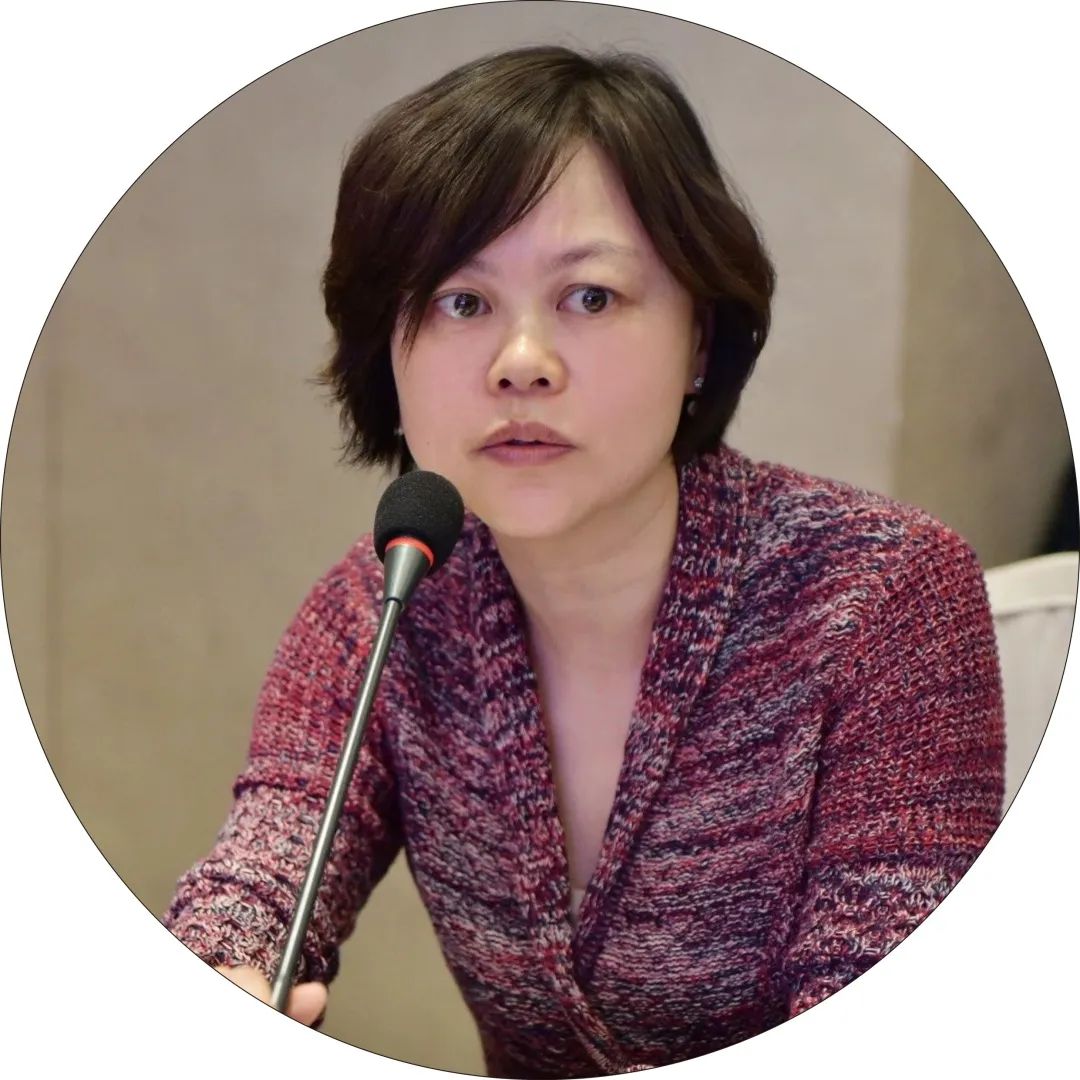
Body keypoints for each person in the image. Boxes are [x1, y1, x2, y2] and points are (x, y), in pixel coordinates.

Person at [163, 45, 1005, 1076]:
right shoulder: (387, 602)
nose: (522, 362)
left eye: (591, 297)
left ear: (700, 339)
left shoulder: (882, 596)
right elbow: (263, 866)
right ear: (388, 350)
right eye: (461, 302)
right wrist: (221, 975)